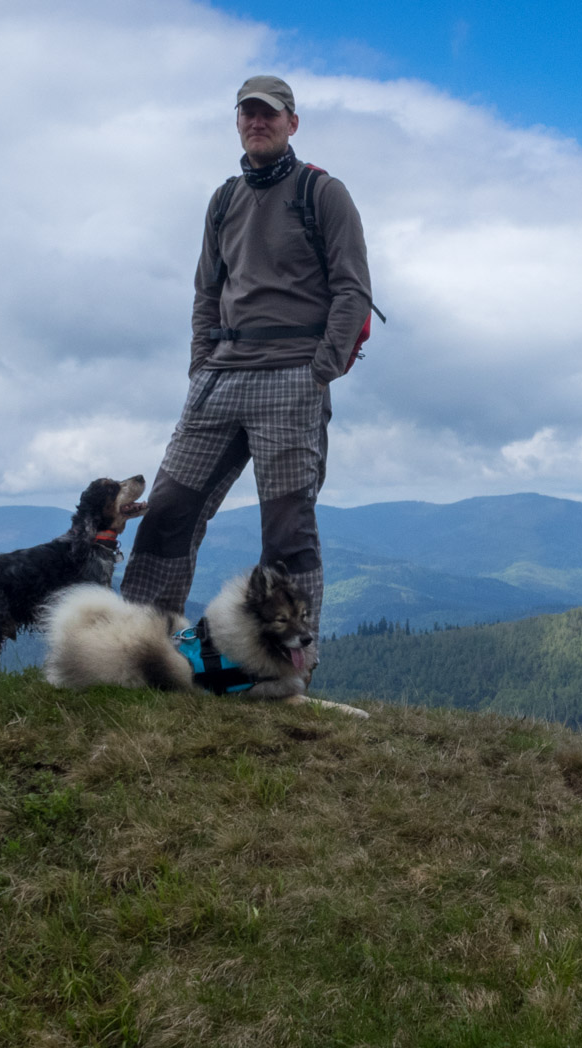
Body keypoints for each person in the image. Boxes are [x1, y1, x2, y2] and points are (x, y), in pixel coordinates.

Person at [120, 74, 372, 680]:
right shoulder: (224, 198)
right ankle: (138, 650)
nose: (258, 122)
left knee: (286, 531)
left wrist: (320, 369)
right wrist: (200, 366)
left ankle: (288, 669)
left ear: (292, 123)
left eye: (270, 114)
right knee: (168, 511)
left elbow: (353, 289)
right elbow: (207, 290)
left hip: (292, 375)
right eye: (248, 114)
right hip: (220, 376)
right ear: (237, 122)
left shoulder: (322, 192)